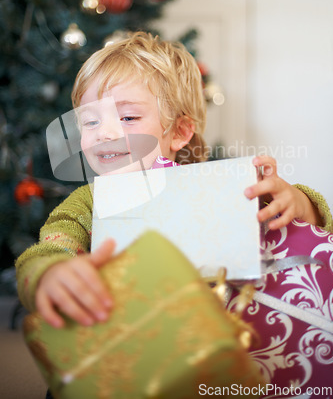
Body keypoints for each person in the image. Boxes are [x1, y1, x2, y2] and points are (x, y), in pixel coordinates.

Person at [16, 31, 332, 333]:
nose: (104, 133)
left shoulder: (219, 188)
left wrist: (299, 202)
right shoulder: (89, 201)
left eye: (127, 118)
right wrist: (50, 273)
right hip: (127, 351)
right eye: (90, 121)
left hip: (219, 344)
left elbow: (314, 232)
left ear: (180, 132)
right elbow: (51, 247)